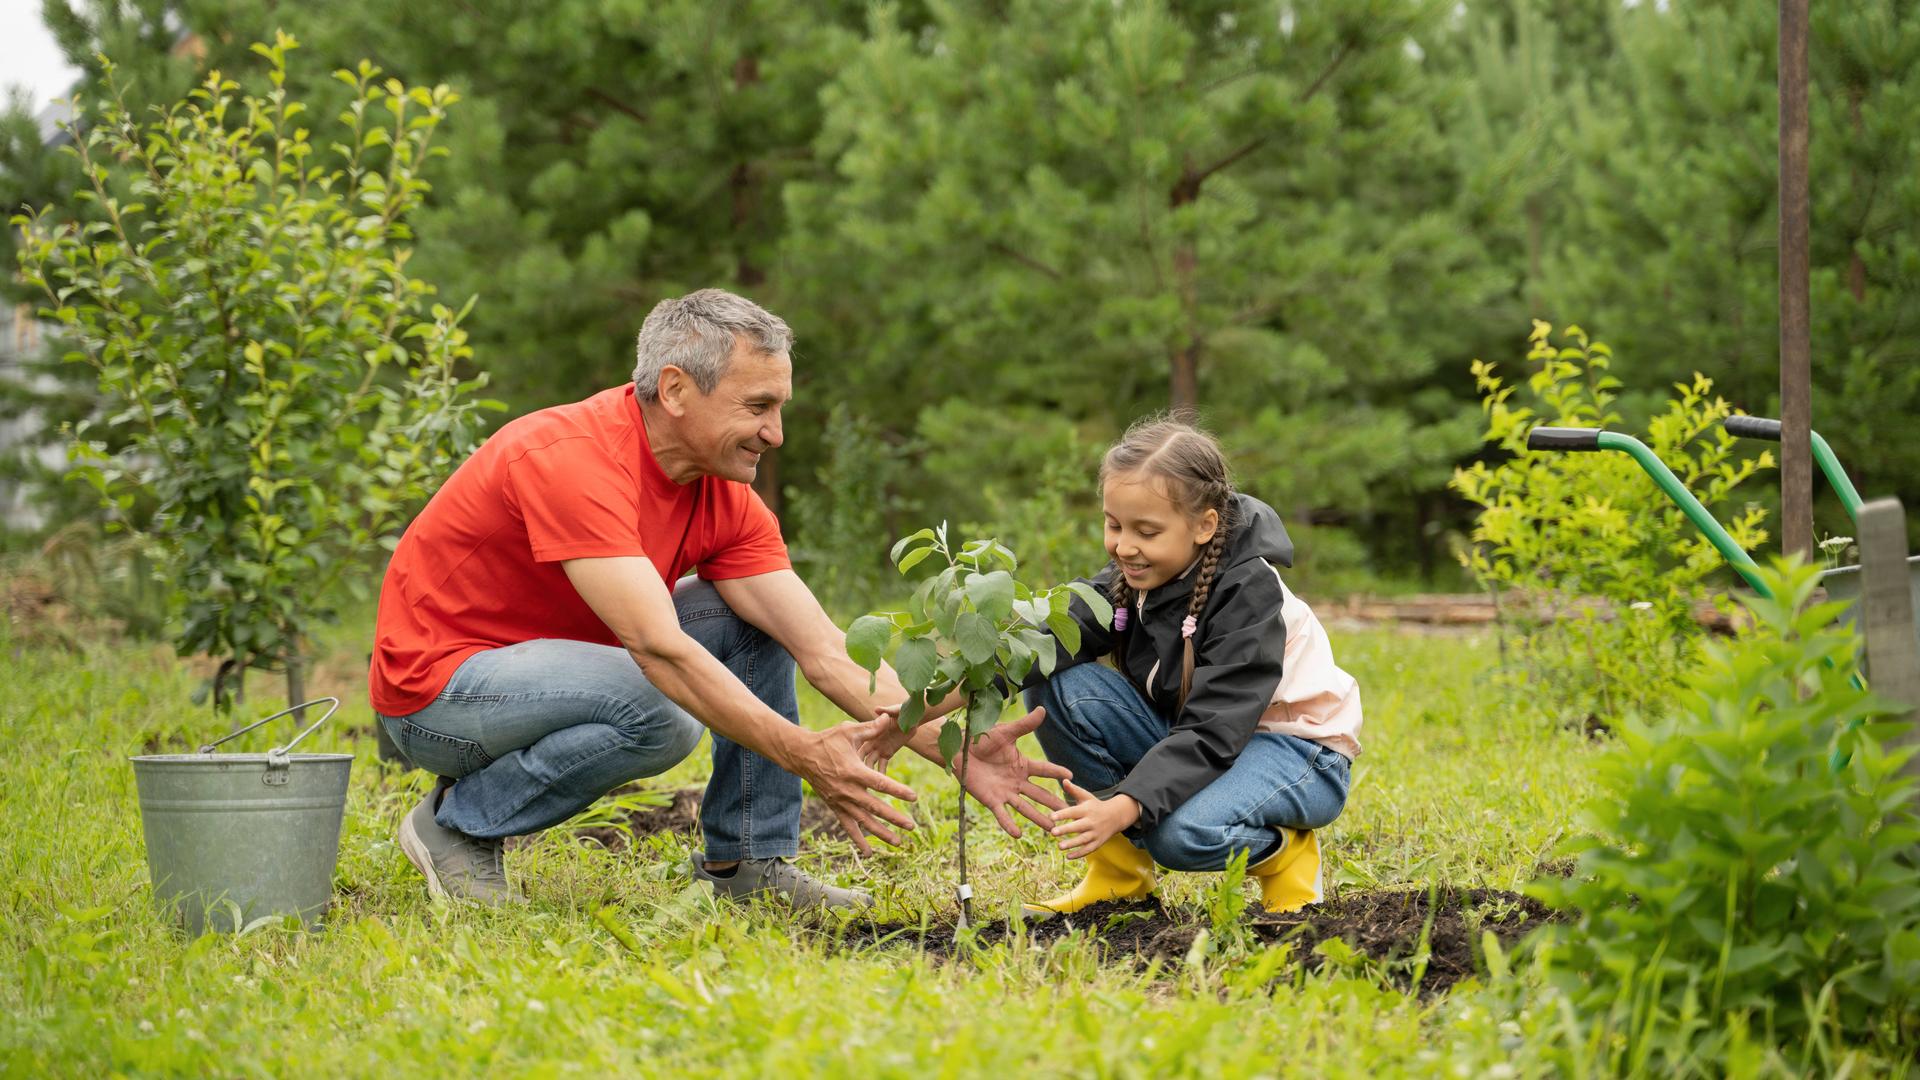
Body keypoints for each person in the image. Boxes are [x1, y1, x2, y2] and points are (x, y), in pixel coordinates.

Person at [369, 289, 1068, 908]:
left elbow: (822, 650)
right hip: (440, 694)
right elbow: (657, 649)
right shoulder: (572, 458)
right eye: (757, 407)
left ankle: (748, 864)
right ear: (675, 390)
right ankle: (458, 825)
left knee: (748, 623)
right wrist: (804, 752)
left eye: (780, 407)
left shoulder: (723, 494)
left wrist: (957, 749)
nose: (776, 433)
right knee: (658, 711)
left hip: (562, 670)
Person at [902, 416, 1362, 915]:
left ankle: (1285, 857)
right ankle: (1120, 876)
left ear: (1205, 525)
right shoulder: (1131, 576)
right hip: (1199, 736)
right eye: (1114, 525)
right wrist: (910, 712)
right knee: (1061, 686)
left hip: (1296, 753)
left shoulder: (1249, 594)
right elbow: (1043, 643)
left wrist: (1124, 806)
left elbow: (1213, 731)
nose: (1124, 546)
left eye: (1146, 531)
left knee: (1180, 834)